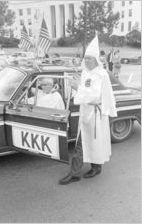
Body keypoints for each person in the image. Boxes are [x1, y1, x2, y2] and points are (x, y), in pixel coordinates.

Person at [59, 34, 117, 185]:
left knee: (93, 143)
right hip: (85, 113)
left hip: (96, 114)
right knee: (82, 142)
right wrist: (74, 88)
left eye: (90, 58)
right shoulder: (85, 73)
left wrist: (77, 87)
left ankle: (94, 168)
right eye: (85, 58)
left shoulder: (101, 74)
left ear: (97, 59)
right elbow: (83, 91)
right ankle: (76, 172)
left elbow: (95, 95)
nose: (86, 61)